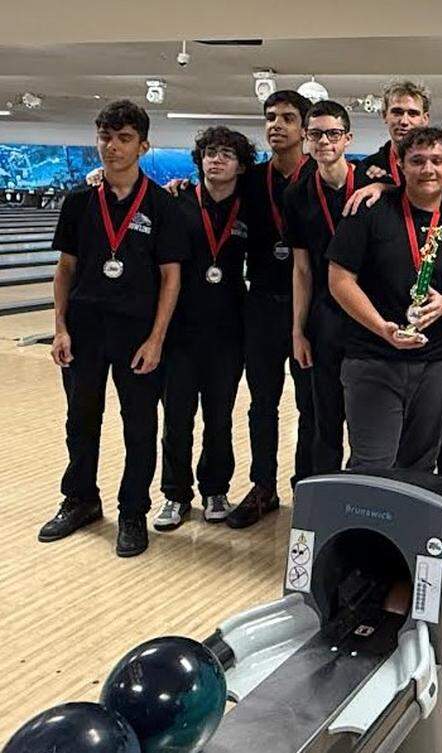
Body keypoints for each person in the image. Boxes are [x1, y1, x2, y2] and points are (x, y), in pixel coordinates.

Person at [39, 100, 188, 557]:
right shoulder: (80, 202)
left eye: (123, 138)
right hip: (84, 329)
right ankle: (81, 498)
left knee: (139, 425)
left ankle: (132, 511)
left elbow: (171, 276)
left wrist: (157, 338)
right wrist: (60, 328)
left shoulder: (163, 206)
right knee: (80, 420)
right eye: (105, 136)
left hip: (137, 333)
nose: (112, 146)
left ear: (143, 145)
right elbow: (65, 269)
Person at [327, 126, 442, 471]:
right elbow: (339, 281)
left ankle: (406, 528)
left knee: (420, 466)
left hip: (439, 364)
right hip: (374, 359)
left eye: (437, 160)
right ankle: (365, 527)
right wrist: (381, 327)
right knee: (373, 465)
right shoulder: (369, 211)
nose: (428, 169)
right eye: (417, 160)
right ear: (401, 165)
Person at [154, 127, 256, 532]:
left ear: (240, 166)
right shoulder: (176, 201)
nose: (217, 160)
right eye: (211, 153)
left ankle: (216, 488)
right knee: (176, 417)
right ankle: (175, 495)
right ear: (200, 160)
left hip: (228, 331)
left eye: (227, 155)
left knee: (220, 417)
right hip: (180, 331)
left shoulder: (249, 209)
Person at [227, 90, 318, 530]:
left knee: (309, 405)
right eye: (269, 117)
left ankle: (307, 486)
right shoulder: (251, 180)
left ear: (303, 129)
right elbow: (208, 200)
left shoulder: (321, 177)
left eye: (286, 118)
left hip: (309, 309)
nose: (276, 125)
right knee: (261, 403)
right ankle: (262, 486)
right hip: (261, 304)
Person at [283, 99, 376, 476]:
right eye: (316, 134)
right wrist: (297, 331)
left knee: (368, 420)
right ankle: (323, 505)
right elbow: (302, 269)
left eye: (333, 134)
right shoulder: (297, 195)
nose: (325, 142)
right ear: (305, 139)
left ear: (347, 139)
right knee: (325, 419)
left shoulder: (373, 188)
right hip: (325, 318)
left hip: (370, 316)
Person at [361, 80, 442, 197]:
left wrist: (389, 188)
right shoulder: (369, 168)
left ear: (425, 119)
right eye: (397, 112)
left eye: (413, 114)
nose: (404, 121)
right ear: (384, 115)